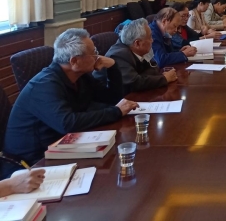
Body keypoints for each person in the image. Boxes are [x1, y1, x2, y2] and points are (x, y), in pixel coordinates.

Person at [3, 29, 139, 164]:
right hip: (31, 161)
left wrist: (113, 68)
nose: (98, 57)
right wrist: (116, 111)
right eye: (94, 53)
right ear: (74, 61)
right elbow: (68, 123)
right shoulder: (44, 85)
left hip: (62, 145)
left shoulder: (80, 77)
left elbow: (112, 99)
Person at [100, 18, 177, 94]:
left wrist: (141, 77)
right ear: (137, 43)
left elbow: (154, 67)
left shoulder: (138, 49)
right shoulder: (118, 55)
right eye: (150, 37)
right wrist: (164, 79)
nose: (152, 40)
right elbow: (134, 83)